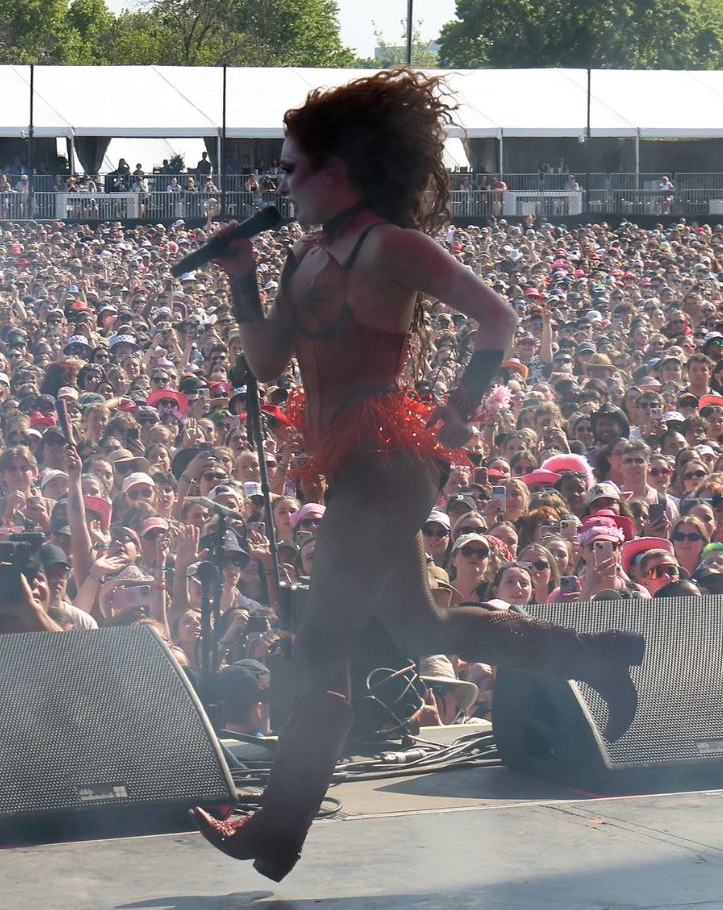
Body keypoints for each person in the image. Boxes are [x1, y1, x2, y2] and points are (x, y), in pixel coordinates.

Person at [192, 71, 644, 881]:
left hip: (392, 463)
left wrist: (464, 408)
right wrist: (242, 279)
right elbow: (264, 367)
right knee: (421, 627)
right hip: (348, 463)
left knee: (321, 641)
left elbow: (497, 318)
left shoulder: (391, 246)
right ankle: (593, 655)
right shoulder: (305, 256)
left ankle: (278, 827)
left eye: (294, 167)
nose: (283, 183)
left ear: (338, 170)